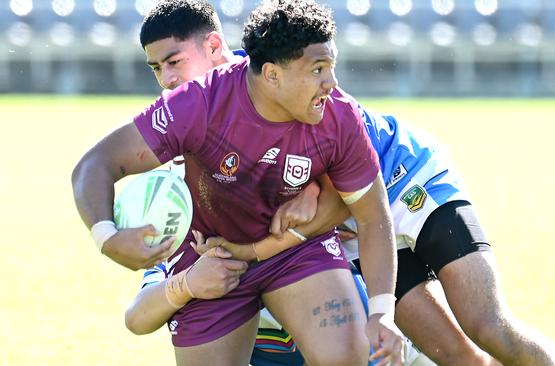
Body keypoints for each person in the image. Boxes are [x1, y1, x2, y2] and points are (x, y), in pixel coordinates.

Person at [120, 1, 555, 366]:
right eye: (157, 69)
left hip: (401, 176)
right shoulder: (197, 118)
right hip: (351, 227)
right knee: (456, 356)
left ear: (215, 46)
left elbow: (333, 142)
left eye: (175, 62)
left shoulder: (270, 68)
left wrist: (316, 192)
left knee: (487, 325)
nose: (167, 79)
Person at [71, 0, 405, 365]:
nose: (332, 82)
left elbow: (373, 216)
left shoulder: (339, 114)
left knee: (345, 359)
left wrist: (382, 311)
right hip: (210, 258)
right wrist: (107, 238)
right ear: (273, 75)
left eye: (330, 66)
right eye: (318, 69)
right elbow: (96, 164)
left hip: (294, 253)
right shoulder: (195, 104)